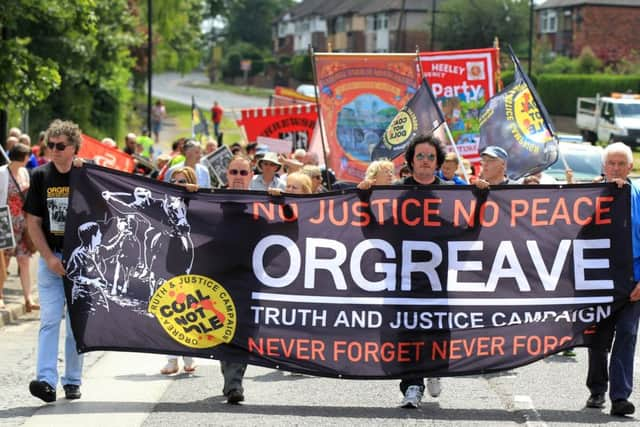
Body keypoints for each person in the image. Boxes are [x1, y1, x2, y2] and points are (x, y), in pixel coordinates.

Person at [25, 119, 85, 403]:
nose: (54, 150)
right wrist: (48, 257)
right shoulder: (40, 176)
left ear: (74, 148)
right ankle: (46, 380)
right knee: (49, 320)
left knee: (75, 324)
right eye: (50, 145)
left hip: (81, 261)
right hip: (51, 259)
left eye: (61, 146)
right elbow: (33, 221)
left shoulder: (85, 175)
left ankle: (72, 380)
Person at [585, 142, 640, 417]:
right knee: (597, 338)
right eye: (611, 164)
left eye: (621, 164)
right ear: (603, 167)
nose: (616, 169)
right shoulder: (587, 195)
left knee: (628, 334)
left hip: (632, 280)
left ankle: (620, 396)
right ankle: (597, 390)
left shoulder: (638, 196)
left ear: (631, 167)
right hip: (597, 279)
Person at [395, 134, 449, 408]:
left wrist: (483, 195)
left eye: (431, 157)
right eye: (420, 156)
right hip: (404, 278)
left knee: (437, 331)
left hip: (438, 278)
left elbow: (468, 228)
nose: (425, 161)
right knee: (408, 334)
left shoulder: (453, 194)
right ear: (411, 161)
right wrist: (367, 193)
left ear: (438, 162)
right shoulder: (395, 193)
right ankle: (412, 386)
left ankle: (435, 368)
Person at [159, 166, 199, 376]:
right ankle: (171, 358)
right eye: (175, 181)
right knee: (171, 303)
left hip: (189, 250)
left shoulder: (198, 202)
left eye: (183, 181)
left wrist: (194, 193)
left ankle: (189, 354)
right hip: (168, 251)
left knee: (189, 304)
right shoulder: (166, 201)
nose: (178, 185)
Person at [5, 143, 39, 311]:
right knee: (2, 262)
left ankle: (28, 298)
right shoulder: (2, 173)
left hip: (22, 223)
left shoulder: (24, 172)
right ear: (24, 157)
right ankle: (0, 297)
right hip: (5, 222)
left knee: (24, 260)